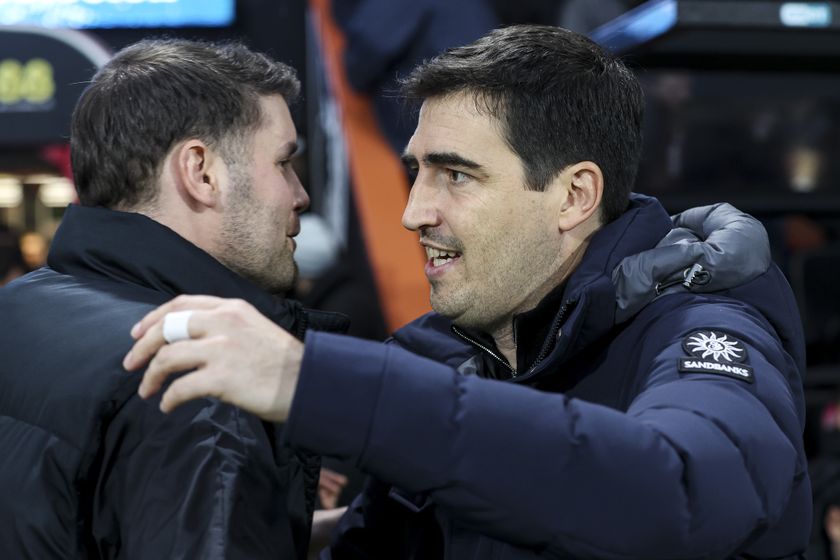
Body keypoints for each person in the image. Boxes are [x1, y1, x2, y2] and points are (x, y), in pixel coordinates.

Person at [124, 26, 811, 558]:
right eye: (417, 171)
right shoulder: (445, 354)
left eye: (455, 175)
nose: (413, 211)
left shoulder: (706, 331)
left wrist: (308, 380)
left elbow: (678, 492)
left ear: (575, 195)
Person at [0, 39, 349, 558]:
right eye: (283, 163)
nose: (299, 195)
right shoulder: (193, 376)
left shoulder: (17, 310)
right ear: (201, 172)